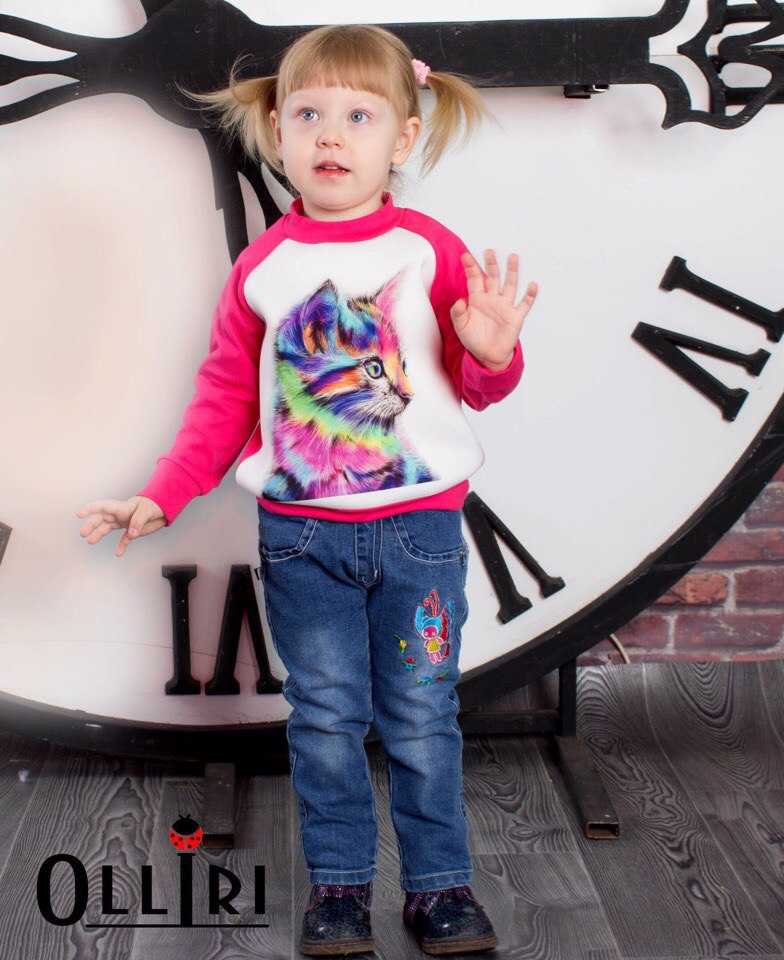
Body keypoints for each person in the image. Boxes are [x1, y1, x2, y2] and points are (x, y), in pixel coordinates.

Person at [76, 23, 538, 956]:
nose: (331, 135)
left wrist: (493, 354)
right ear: (278, 132)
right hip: (301, 541)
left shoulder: (429, 249)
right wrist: (165, 492)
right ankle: (339, 890)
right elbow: (224, 399)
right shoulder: (264, 267)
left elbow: (472, 380)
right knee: (324, 719)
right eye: (309, 115)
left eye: (359, 116)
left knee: (422, 713)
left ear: (403, 138)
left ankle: (440, 889)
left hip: (420, 535)